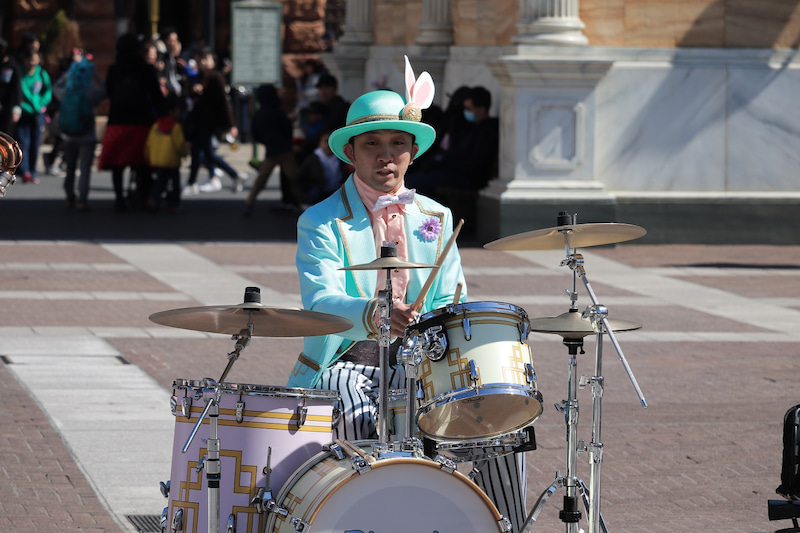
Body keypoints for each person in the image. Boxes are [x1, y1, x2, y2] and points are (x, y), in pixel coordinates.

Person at [285, 65, 527, 531]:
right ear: (350, 153)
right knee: (357, 417)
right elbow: (319, 303)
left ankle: (509, 525)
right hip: (346, 361)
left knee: (500, 425)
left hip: (424, 366)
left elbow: (453, 299)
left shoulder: (436, 216)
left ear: (413, 152)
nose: (385, 155)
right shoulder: (320, 221)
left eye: (397, 143)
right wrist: (375, 313)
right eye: (372, 144)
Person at [98, 33, 163, 212]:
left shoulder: (114, 69)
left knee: (118, 164)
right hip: (141, 120)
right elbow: (156, 95)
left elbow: (109, 92)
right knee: (141, 162)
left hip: (118, 120)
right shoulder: (145, 68)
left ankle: (119, 198)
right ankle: (143, 196)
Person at [183, 47, 245, 194]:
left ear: (213, 61)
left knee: (201, 152)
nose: (202, 62)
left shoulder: (215, 77)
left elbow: (224, 102)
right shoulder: (200, 77)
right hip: (199, 121)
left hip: (208, 122)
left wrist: (231, 125)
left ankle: (194, 182)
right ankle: (234, 176)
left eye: (206, 59)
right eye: (200, 59)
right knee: (200, 153)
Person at [59, 50, 104, 211]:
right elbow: (106, 91)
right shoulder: (90, 92)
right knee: (84, 168)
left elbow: (56, 88)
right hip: (87, 134)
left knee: (70, 167)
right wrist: (97, 77)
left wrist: (68, 74)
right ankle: (82, 200)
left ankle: (69, 196)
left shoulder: (68, 91)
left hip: (69, 134)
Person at [243, 83, 298, 216]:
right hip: (285, 151)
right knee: (295, 180)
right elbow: (288, 131)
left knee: (260, 180)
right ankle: (304, 205)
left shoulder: (258, 114)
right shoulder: (278, 113)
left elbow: (256, 135)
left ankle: (249, 204)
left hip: (271, 152)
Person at [144, 94, 187, 213]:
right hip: (172, 161)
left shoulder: (156, 126)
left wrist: (147, 156)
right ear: (171, 111)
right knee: (175, 183)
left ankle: (152, 198)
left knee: (159, 181)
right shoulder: (175, 127)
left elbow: (149, 143)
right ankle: (174, 204)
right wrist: (184, 153)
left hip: (157, 160)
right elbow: (179, 145)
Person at [15, 48, 52, 184]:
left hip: (38, 114)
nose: (32, 63)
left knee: (35, 143)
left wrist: (41, 104)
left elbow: (48, 91)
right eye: (30, 60)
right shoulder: (20, 72)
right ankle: (25, 171)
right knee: (23, 143)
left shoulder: (41, 73)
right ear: (25, 60)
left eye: (34, 60)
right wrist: (29, 106)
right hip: (24, 113)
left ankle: (33, 170)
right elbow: (20, 92)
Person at [295, 129, 347, 206]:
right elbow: (300, 179)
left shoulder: (340, 158)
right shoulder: (313, 159)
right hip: (319, 191)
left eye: (331, 142)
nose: (328, 145)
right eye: (326, 141)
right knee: (315, 192)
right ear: (320, 143)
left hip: (335, 190)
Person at [0, 38, 22, 135]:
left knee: (6, 135)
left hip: (8, 106)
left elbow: (17, 87)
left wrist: (17, 107)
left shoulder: (12, 66)